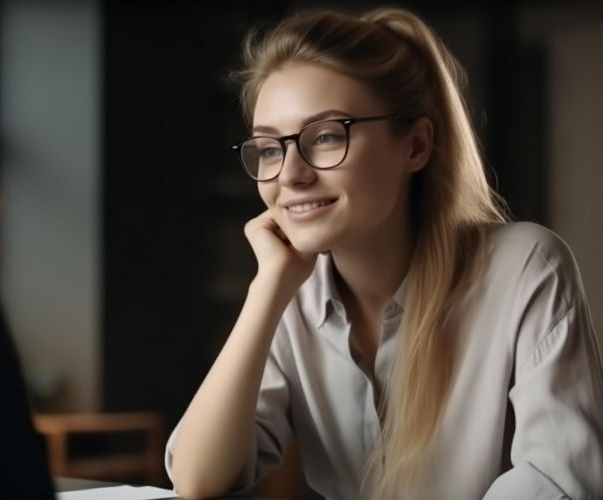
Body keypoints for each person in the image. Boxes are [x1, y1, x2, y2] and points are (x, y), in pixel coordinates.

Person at [165, 6, 603, 500]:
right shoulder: (292, 295)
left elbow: (559, 481)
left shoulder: (526, 269)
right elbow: (198, 480)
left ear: (415, 145)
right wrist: (266, 289)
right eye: (269, 148)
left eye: (326, 136)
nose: (289, 174)